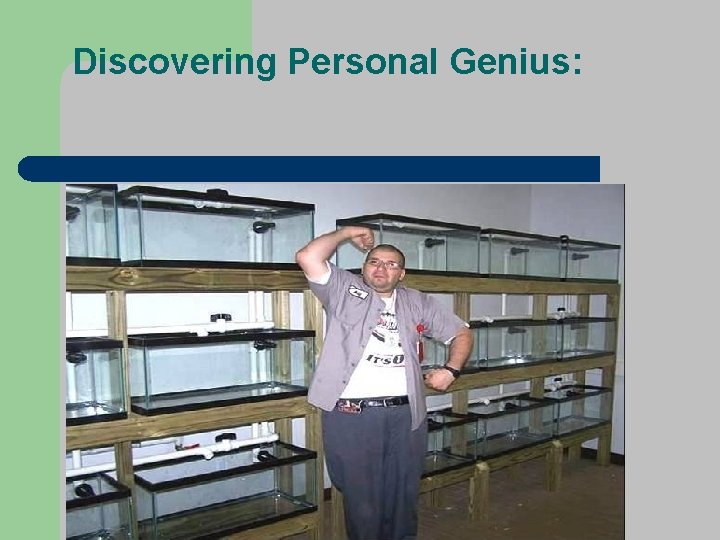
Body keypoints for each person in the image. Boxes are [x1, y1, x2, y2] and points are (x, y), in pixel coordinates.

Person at [296, 225, 473, 540]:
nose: (381, 268)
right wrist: (347, 233)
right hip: (352, 413)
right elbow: (308, 256)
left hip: (406, 414)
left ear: (401, 274)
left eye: (391, 264)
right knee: (361, 497)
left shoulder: (417, 301)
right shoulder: (343, 289)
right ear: (363, 267)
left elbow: (462, 332)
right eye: (374, 261)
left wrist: (451, 369)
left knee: (404, 492)